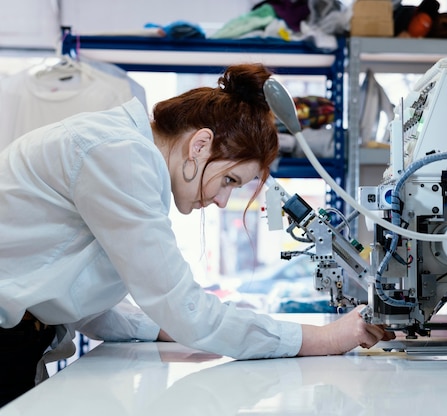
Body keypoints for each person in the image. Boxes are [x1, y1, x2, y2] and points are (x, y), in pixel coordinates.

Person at [0, 63, 395, 406]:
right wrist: (327, 339)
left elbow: (87, 307)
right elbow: (185, 309)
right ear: (200, 145)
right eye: (228, 179)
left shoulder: (123, 153)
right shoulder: (120, 155)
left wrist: (165, 326)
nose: (223, 200)